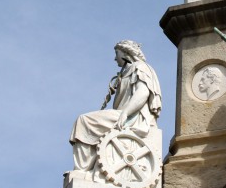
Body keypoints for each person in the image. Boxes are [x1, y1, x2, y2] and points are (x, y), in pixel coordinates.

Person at [69, 40, 162, 172]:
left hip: (133, 117)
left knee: (84, 121)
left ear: (125, 53)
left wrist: (125, 113)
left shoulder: (140, 67)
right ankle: (86, 168)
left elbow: (143, 93)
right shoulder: (126, 71)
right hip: (124, 114)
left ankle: (82, 169)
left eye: (116, 53)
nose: (114, 58)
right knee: (84, 122)